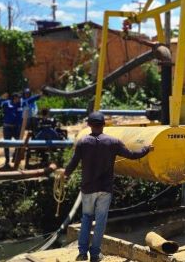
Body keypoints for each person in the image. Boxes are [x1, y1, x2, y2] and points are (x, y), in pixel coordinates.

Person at [60, 112, 154, 262]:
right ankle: (95, 254)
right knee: (101, 221)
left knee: (86, 219)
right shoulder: (113, 142)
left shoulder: (83, 143)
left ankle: (82, 253)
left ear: (89, 125)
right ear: (104, 125)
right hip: (105, 189)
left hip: (88, 188)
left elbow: (73, 164)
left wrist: (64, 174)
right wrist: (146, 149)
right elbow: (132, 155)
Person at [0, 92, 23, 166]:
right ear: (15, 98)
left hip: (16, 128)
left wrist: (39, 96)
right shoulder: (6, 103)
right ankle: (7, 160)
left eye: (20, 98)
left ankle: (15, 157)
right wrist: (1, 98)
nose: (20, 100)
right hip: (7, 127)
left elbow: (30, 100)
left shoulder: (20, 104)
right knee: (6, 144)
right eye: (18, 98)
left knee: (19, 143)